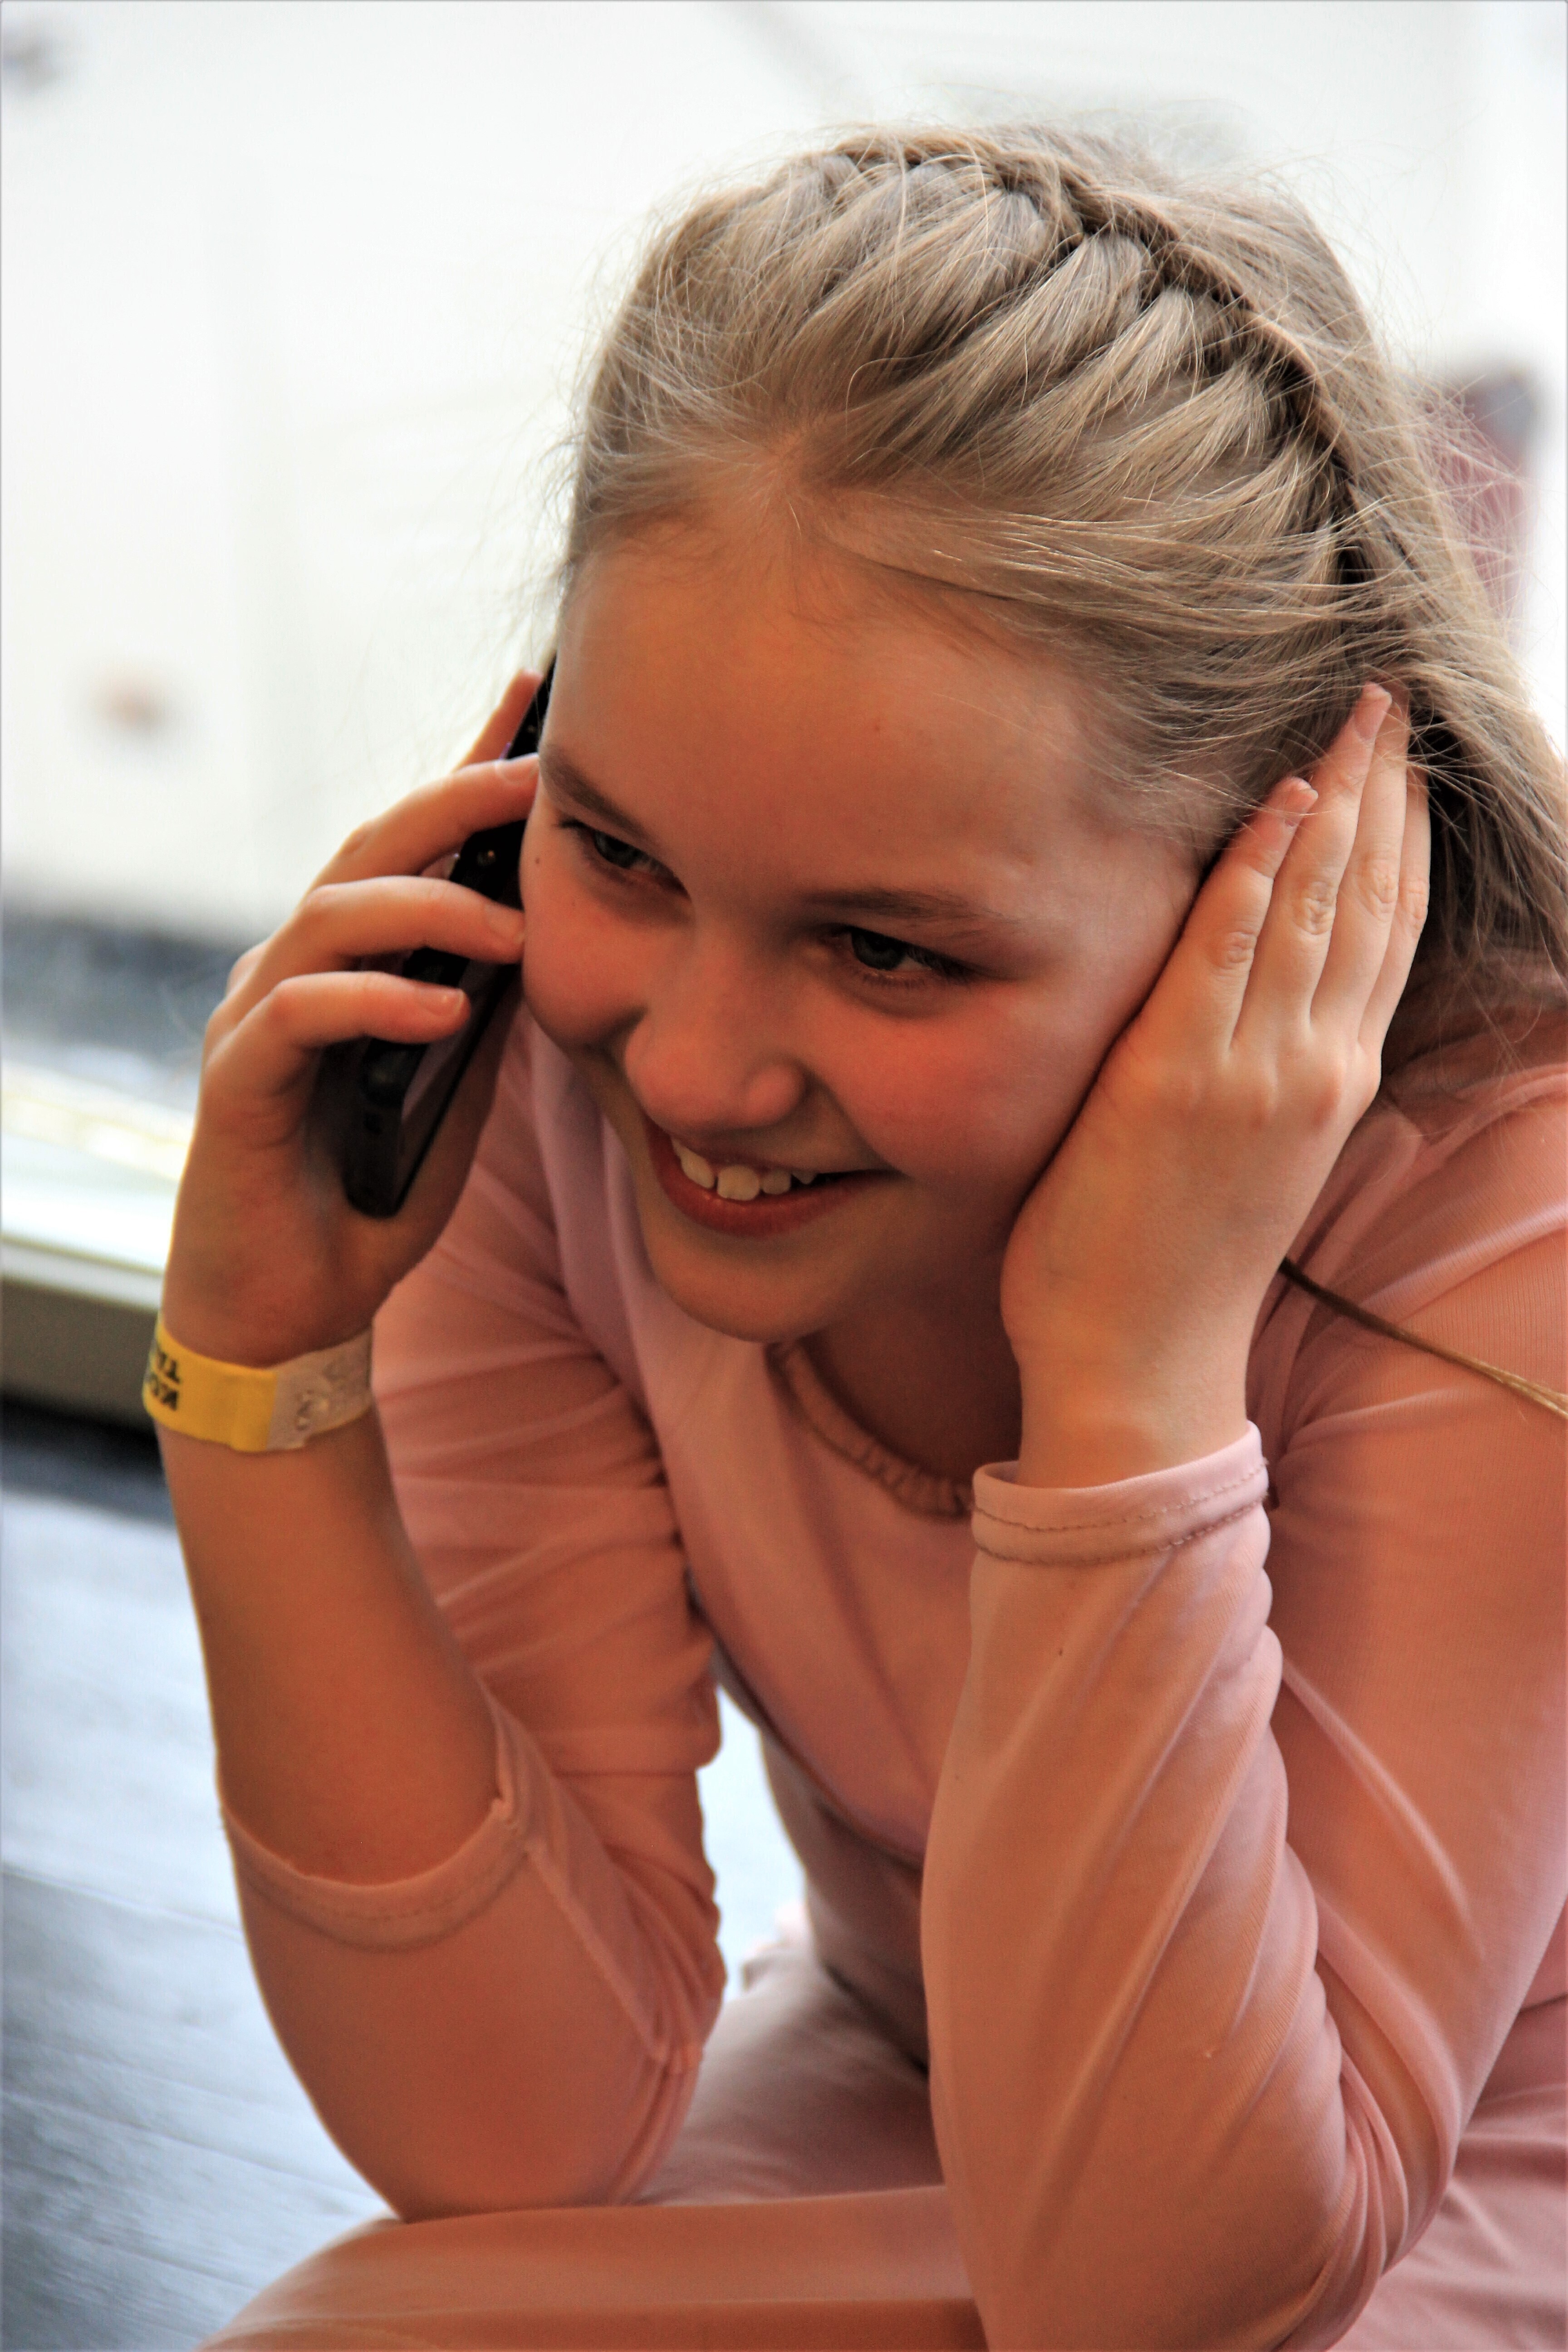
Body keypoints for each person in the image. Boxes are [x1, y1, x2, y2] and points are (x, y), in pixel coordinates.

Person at [152, 127, 1564, 2350]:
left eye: (890, 952)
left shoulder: (1505, 1220)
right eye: (620, 851)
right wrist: (258, 1378)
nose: (697, 1070)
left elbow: (1182, 2301)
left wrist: (1131, 1382)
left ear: (1274, 893)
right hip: (973, 2087)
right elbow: (506, 2123)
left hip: (1415, 2177)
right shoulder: (554, 1085)